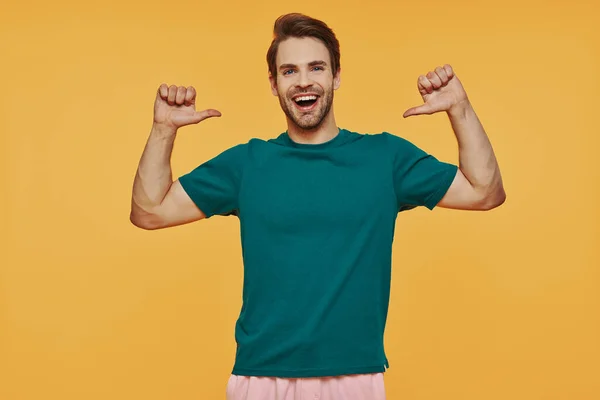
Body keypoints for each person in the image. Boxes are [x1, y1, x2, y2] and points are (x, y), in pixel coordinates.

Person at [129, 12, 505, 400]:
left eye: (316, 67)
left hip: (354, 379)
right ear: (274, 84)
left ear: (336, 76)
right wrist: (163, 130)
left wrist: (459, 109)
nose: (304, 81)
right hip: (261, 380)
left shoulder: (385, 158)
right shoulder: (246, 164)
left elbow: (484, 191)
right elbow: (149, 211)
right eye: (289, 71)